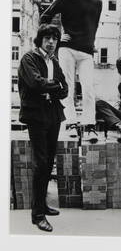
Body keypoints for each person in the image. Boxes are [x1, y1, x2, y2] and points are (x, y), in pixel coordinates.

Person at [40, 0, 102, 143]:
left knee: (88, 88)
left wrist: (91, 42)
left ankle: (89, 126)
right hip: (67, 49)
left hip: (86, 52)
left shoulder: (97, 3)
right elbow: (45, 17)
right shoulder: (64, 0)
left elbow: (94, 26)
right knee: (67, 87)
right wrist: (57, 38)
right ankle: (71, 124)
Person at [18, 24, 68, 232]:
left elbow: (65, 88)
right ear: (40, 40)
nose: (51, 42)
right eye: (47, 38)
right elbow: (35, 83)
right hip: (36, 116)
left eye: (54, 39)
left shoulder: (54, 61)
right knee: (40, 163)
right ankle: (37, 215)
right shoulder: (29, 59)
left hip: (53, 115)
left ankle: (42, 205)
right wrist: (53, 86)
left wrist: (52, 88)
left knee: (48, 163)